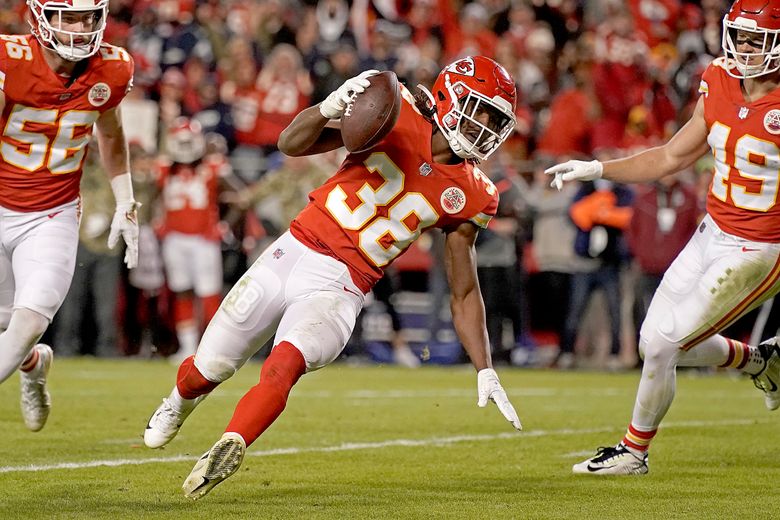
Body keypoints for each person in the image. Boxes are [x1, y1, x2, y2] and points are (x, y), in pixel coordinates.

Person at [143, 56, 523, 500]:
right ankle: (178, 402)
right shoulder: (393, 109)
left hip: (343, 286)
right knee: (207, 370)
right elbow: (290, 142)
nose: (485, 127)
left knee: (284, 364)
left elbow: (463, 290)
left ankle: (232, 442)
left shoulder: (474, 193)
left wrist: (485, 368)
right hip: (293, 250)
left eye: (495, 120)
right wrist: (328, 108)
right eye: (480, 111)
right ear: (449, 95)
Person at [545, 0, 780, 475]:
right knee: (652, 340)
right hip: (712, 231)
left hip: (760, 247)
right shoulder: (717, 78)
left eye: (758, 39)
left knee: (669, 341)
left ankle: (633, 452)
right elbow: (673, 156)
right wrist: (598, 168)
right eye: (741, 35)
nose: (746, 48)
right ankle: (761, 361)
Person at [0, 0, 138, 432]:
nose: (80, 27)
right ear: (38, 17)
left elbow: (111, 134)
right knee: (6, 324)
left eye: (89, 16)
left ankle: (28, 350)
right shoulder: (10, 59)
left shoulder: (113, 68)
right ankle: (34, 363)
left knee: (31, 316)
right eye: (68, 16)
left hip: (51, 214)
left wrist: (126, 199)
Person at [156, 117, 229, 363]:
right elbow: (148, 194)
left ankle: (215, 347)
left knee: (209, 293)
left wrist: (224, 223)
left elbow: (238, 196)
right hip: (175, 238)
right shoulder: (164, 168)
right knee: (182, 292)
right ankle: (187, 347)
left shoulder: (213, 166)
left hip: (203, 239)